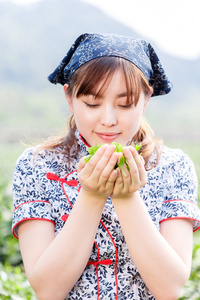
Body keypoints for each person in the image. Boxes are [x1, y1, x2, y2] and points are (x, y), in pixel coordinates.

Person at [12, 33, 200, 300]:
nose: (108, 119)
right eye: (92, 103)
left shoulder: (173, 167)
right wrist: (92, 196)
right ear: (69, 97)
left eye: (125, 104)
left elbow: (170, 289)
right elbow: (48, 290)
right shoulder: (37, 166)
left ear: (146, 99)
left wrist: (126, 197)